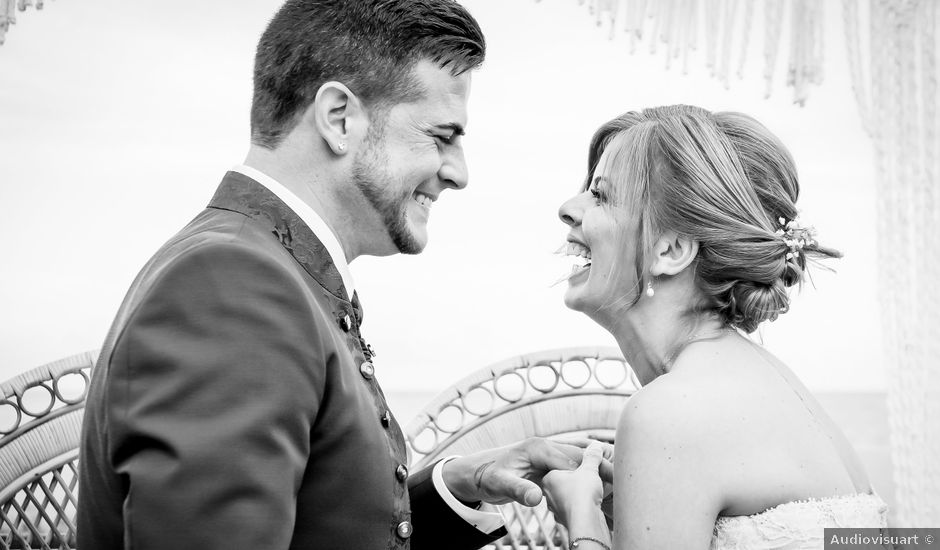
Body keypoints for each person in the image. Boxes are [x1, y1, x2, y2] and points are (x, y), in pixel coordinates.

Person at [76, 1, 592, 549]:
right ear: (340, 117)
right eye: (442, 136)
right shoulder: (235, 288)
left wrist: (457, 486)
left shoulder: (264, 269)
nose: (458, 173)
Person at [541, 105, 888, 549]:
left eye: (602, 196)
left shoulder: (670, 412)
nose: (568, 209)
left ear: (671, 250)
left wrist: (582, 517)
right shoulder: (772, 382)